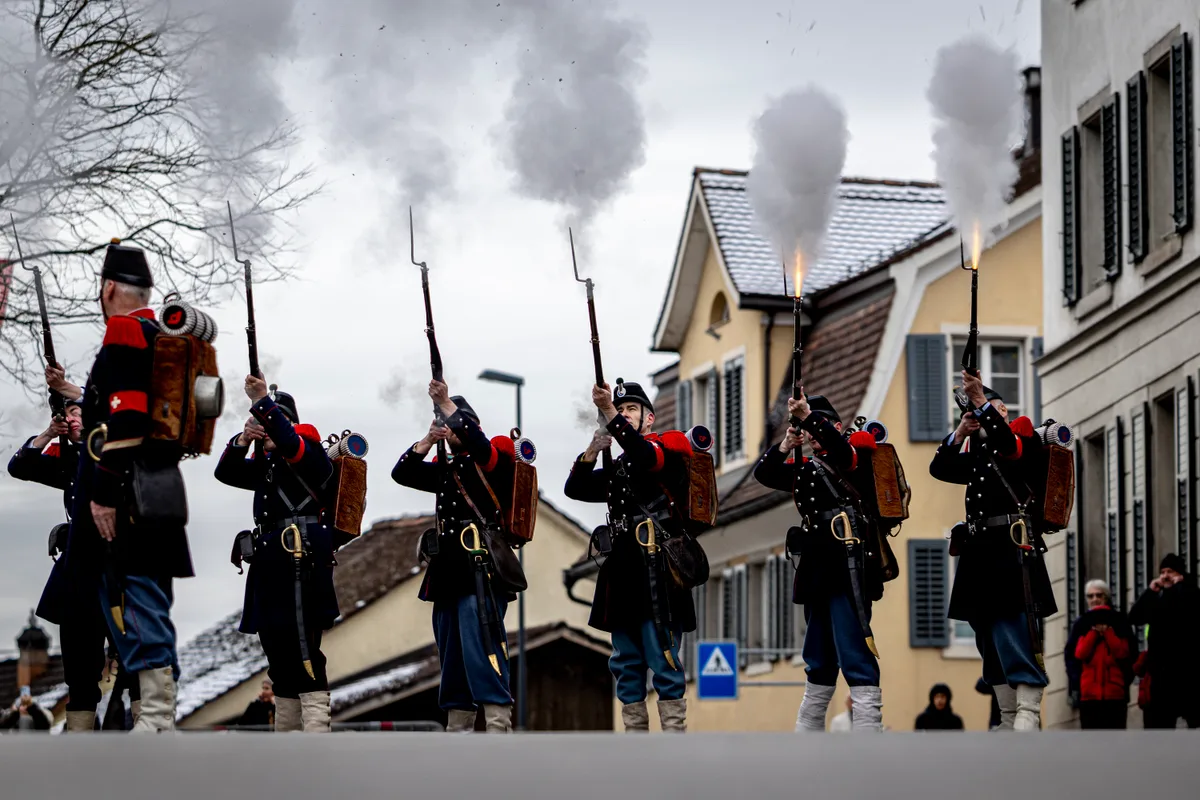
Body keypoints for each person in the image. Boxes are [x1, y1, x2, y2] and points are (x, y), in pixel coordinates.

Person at [74, 240, 194, 732]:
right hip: (160, 486)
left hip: (126, 492)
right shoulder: (161, 333)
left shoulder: (124, 329)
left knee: (134, 596)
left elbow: (126, 420)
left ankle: (159, 716)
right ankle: (158, 712)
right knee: (148, 596)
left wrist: (102, 493)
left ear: (107, 289)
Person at [564, 378, 697, 733]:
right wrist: (593, 449)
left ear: (649, 418)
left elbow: (645, 458)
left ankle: (673, 734)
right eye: (620, 409)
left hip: (658, 567)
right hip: (623, 571)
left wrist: (609, 412)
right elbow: (574, 488)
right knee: (625, 660)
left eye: (631, 410)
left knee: (663, 654)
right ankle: (635, 735)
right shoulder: (619, 467)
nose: (624, 414)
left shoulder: (664, 449)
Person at [392, 379, 525, 733]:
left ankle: (497, 723)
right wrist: (426, 442)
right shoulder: (446, 470)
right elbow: (402, 473)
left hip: (480, 569)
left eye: (453, 424)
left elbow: (482, 448)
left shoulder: (490, 461)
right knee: (452, 657)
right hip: (448, 573)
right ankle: (458, 727)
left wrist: (447, 405)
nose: (449, 430)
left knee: (484, 647)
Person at [752, 390, 888, 733]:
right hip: (817, 569)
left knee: (854, 647)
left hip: (849, 565)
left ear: (837, 426)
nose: (812, 434)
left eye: (820, 427)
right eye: (808, 429)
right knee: (818, 652)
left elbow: (844, 454)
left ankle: (868, 728)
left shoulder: (855, 453)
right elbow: (765, 475)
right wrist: (786, 443)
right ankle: (809, 727)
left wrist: (809, 416)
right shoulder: (807, 468)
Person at [929, 372, 1055, 732]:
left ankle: (1029, 710)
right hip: (979, 550)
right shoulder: (981, 454)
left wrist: (982, 404)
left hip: (1009, 546)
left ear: (1001, 410)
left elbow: (1010, 447)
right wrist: (961, 433)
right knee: (984, 629)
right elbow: (940, 467)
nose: (978, 417)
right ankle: (1008, 713)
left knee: (1011, 627)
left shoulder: (1021, 442)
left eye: (986, 411)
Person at [215, 378, 339, 733]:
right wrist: (243, 439)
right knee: (277, 649)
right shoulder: (267, 466)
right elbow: (226, 471)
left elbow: (290, 443)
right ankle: (285, 732)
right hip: (271, 565)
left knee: (304, 647)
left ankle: (316, 727)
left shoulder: (310, 452)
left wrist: (262, 403)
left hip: (303, 562)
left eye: (272, 422)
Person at [7, 398, 113, 733]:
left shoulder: (118, 449)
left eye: (78, 410)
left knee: (136, 663)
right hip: (79, 570)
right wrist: (50, 433)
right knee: (80, 669)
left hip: (119, 567)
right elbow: (19, 466)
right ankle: (80, 741)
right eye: (67, 413)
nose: (71, 417)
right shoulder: (68, 457)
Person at [1128, 554, 1200, 729]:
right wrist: (1150, 592)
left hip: (1188, 673)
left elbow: (1188, 608)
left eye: (1170, 571)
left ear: (1180, 574)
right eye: (1162, 572)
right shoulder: (1158, 597)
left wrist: (1181, 585)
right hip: (1161, 675)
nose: (1165, 575)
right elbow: (1134, 617)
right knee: (1159, 726)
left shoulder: (1190, 592)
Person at [1064, 579, 1134, 729]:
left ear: (1106, 597)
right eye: (1090, 596)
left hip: (1115, 694)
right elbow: (1075, 655)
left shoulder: (1119, 621)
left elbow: (1125, 654)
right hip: (1089, 694)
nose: (1095, 599)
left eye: (1098, 595)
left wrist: (1108, 632)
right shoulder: (1081, 624)